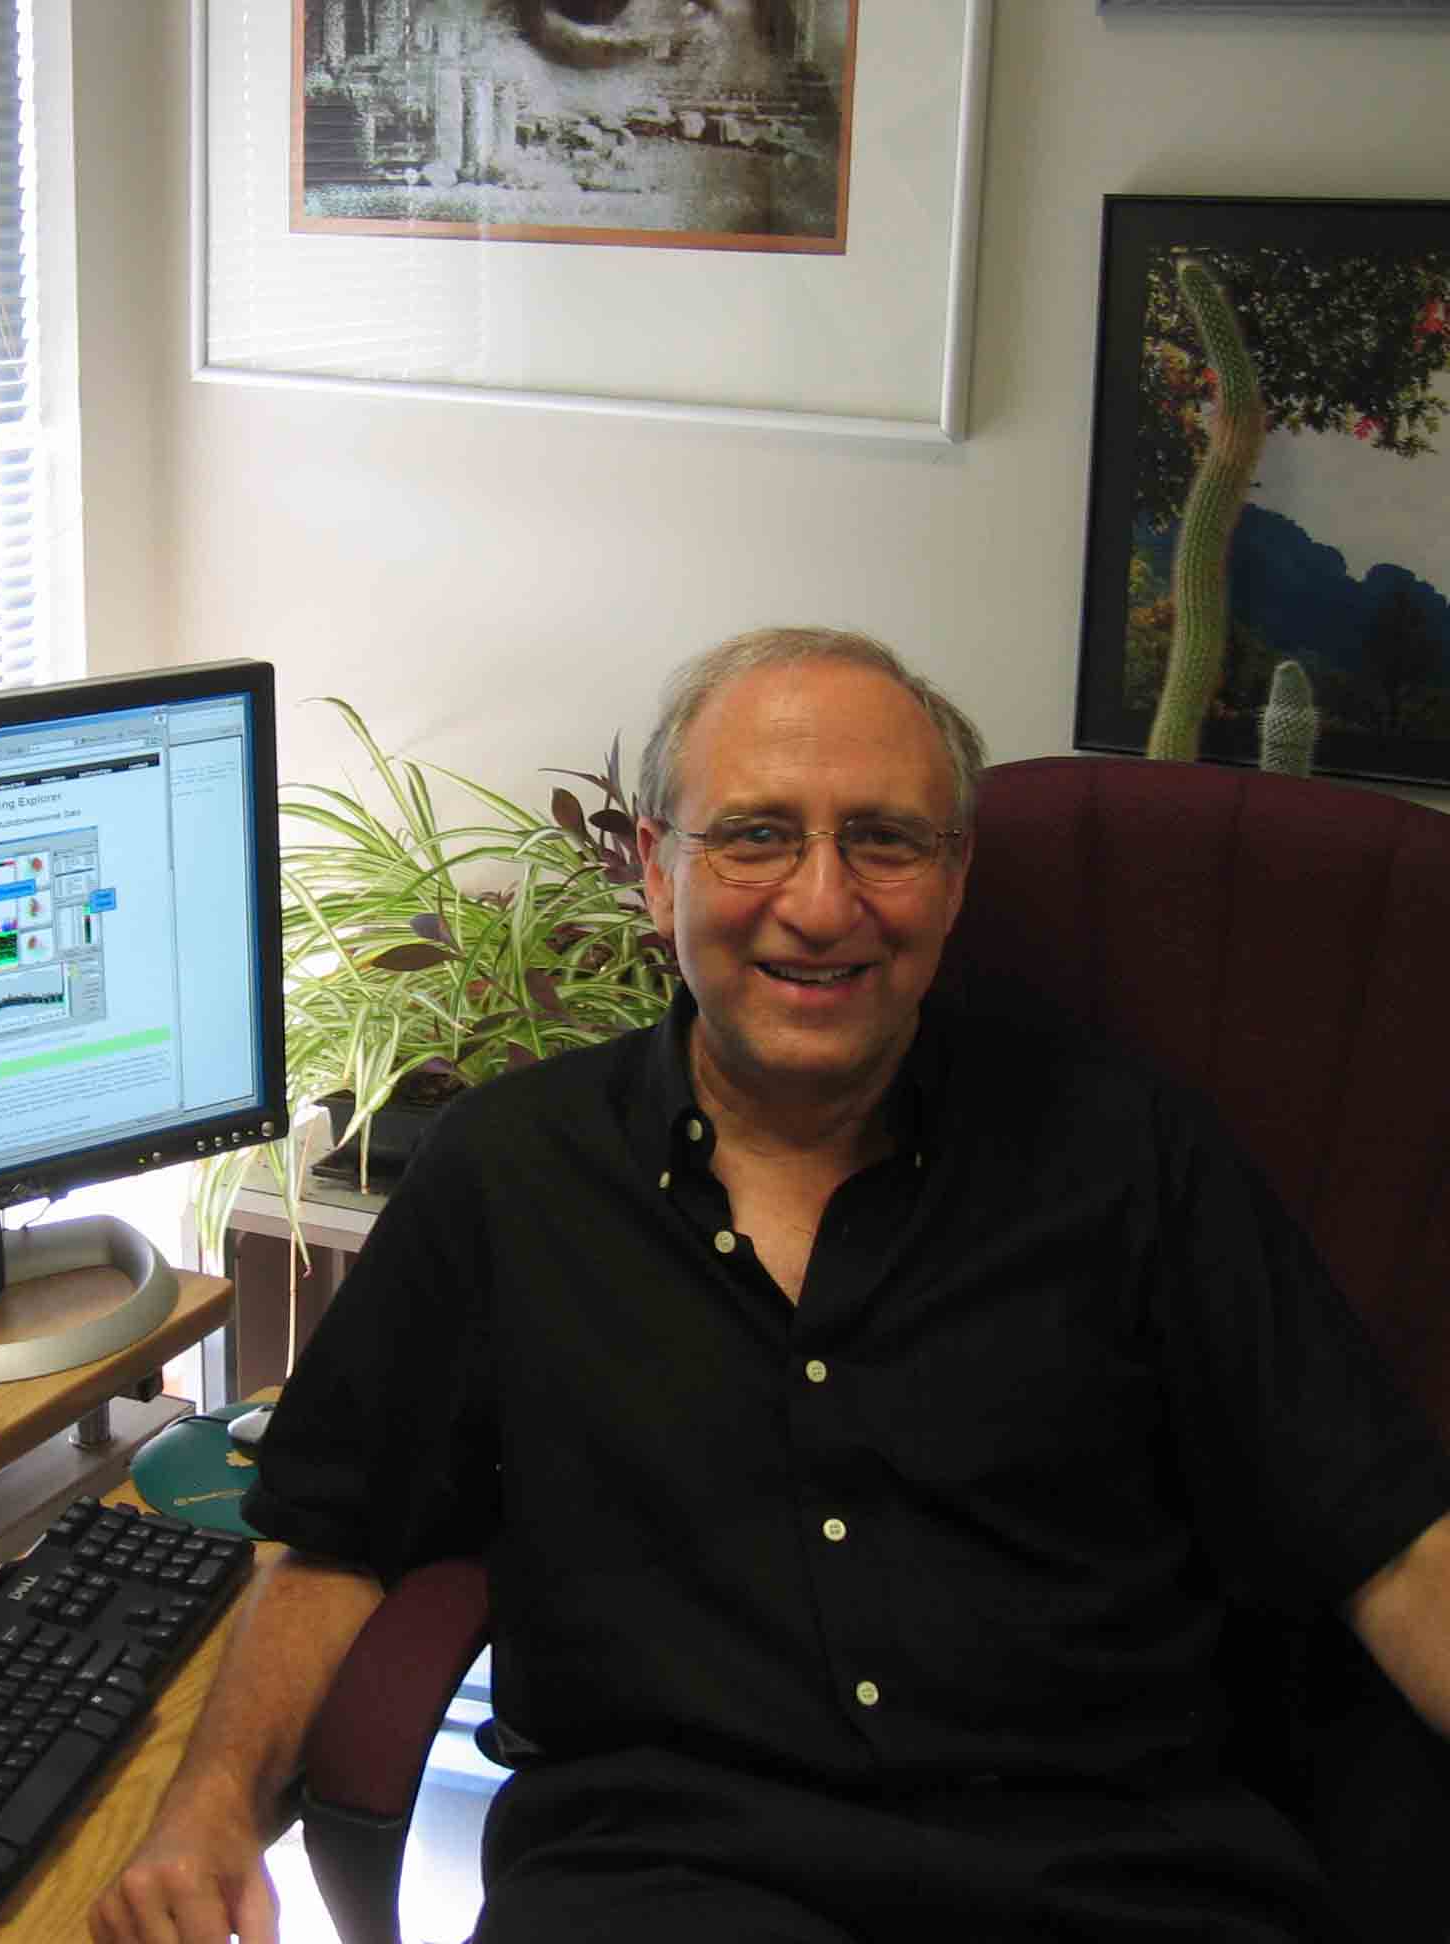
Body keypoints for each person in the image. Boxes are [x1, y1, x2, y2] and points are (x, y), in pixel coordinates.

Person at [91, 628, 1450, 1943]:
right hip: (663, 1883)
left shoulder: (1132, 1159)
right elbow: (332, 1539)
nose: (820, 903)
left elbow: (1388, 1540)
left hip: (1108, 1876)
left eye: (885, 839)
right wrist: (209, 1807)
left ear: (956, 876)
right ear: (653, 873)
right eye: (755, 834)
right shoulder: (510, 1180)